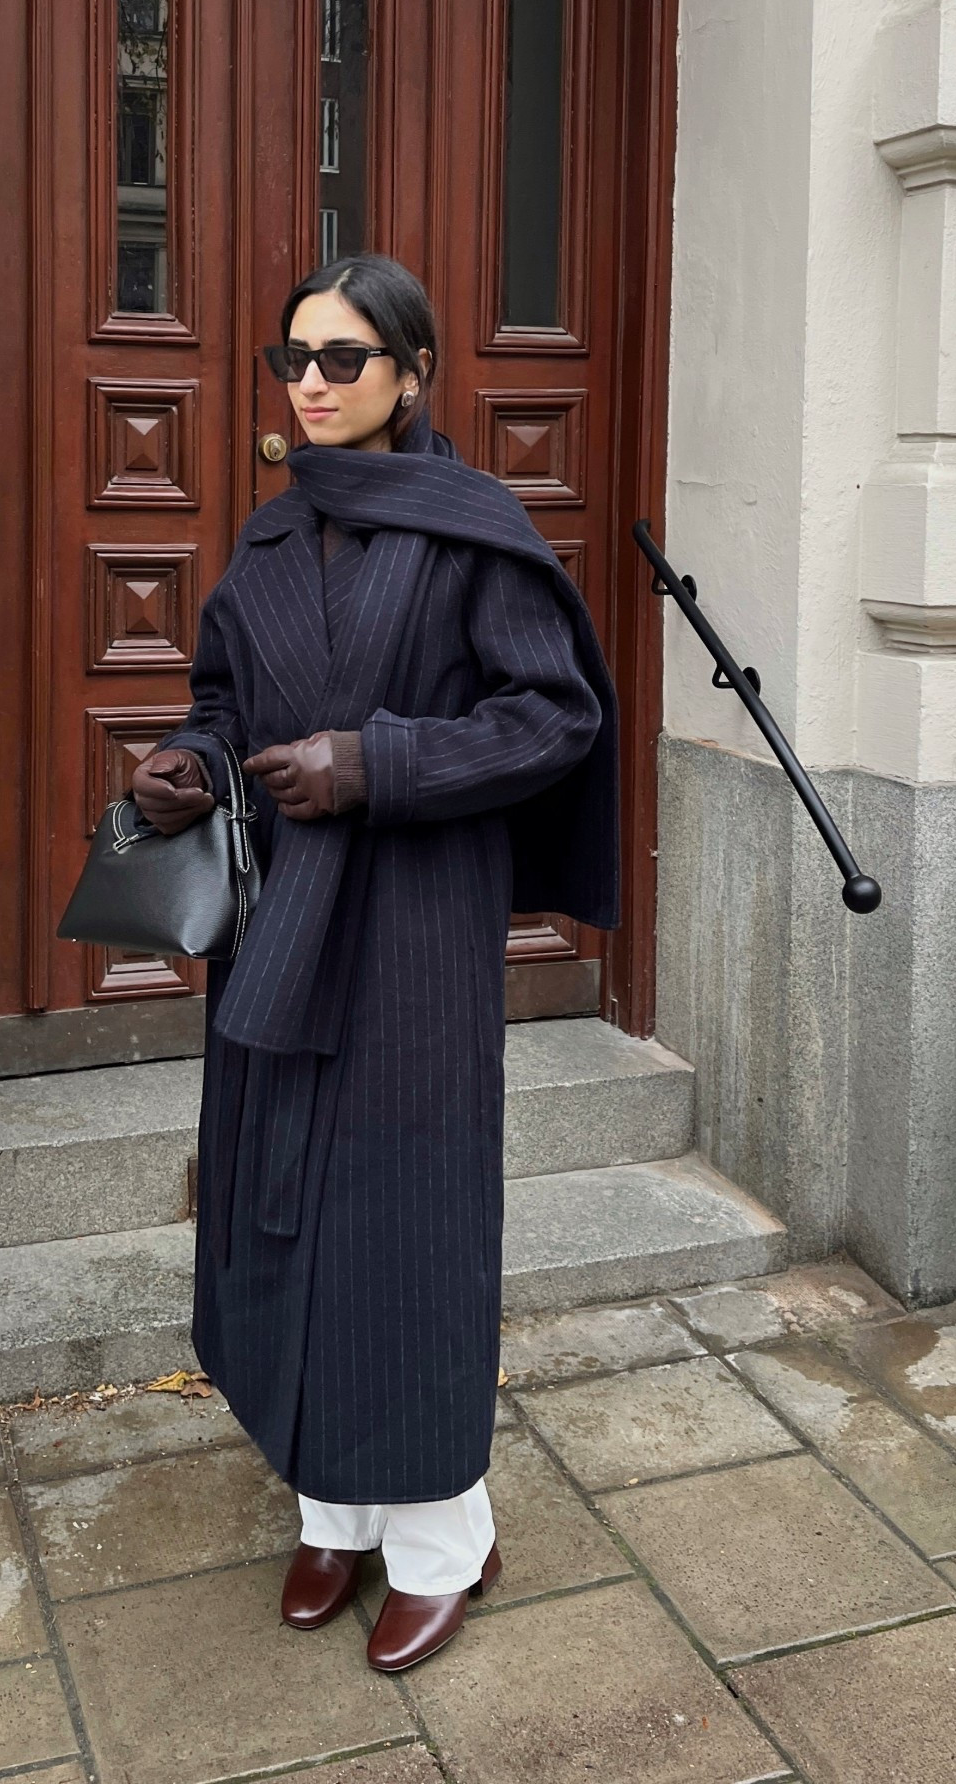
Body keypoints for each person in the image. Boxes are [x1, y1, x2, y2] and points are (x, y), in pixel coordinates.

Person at [130, 251, 619, 1673]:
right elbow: (227, 696)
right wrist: (192, 760)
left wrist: (375, 763)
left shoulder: (475, 531)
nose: (315, 383)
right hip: (284, 919)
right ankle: (334, 1506)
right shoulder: (271, 540)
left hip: (411, 923)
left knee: (405, 1221)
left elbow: (555, 718)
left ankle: (442, 1540)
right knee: (282, 1203)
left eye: (346, 359)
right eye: (296, 358)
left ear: (413, 373)